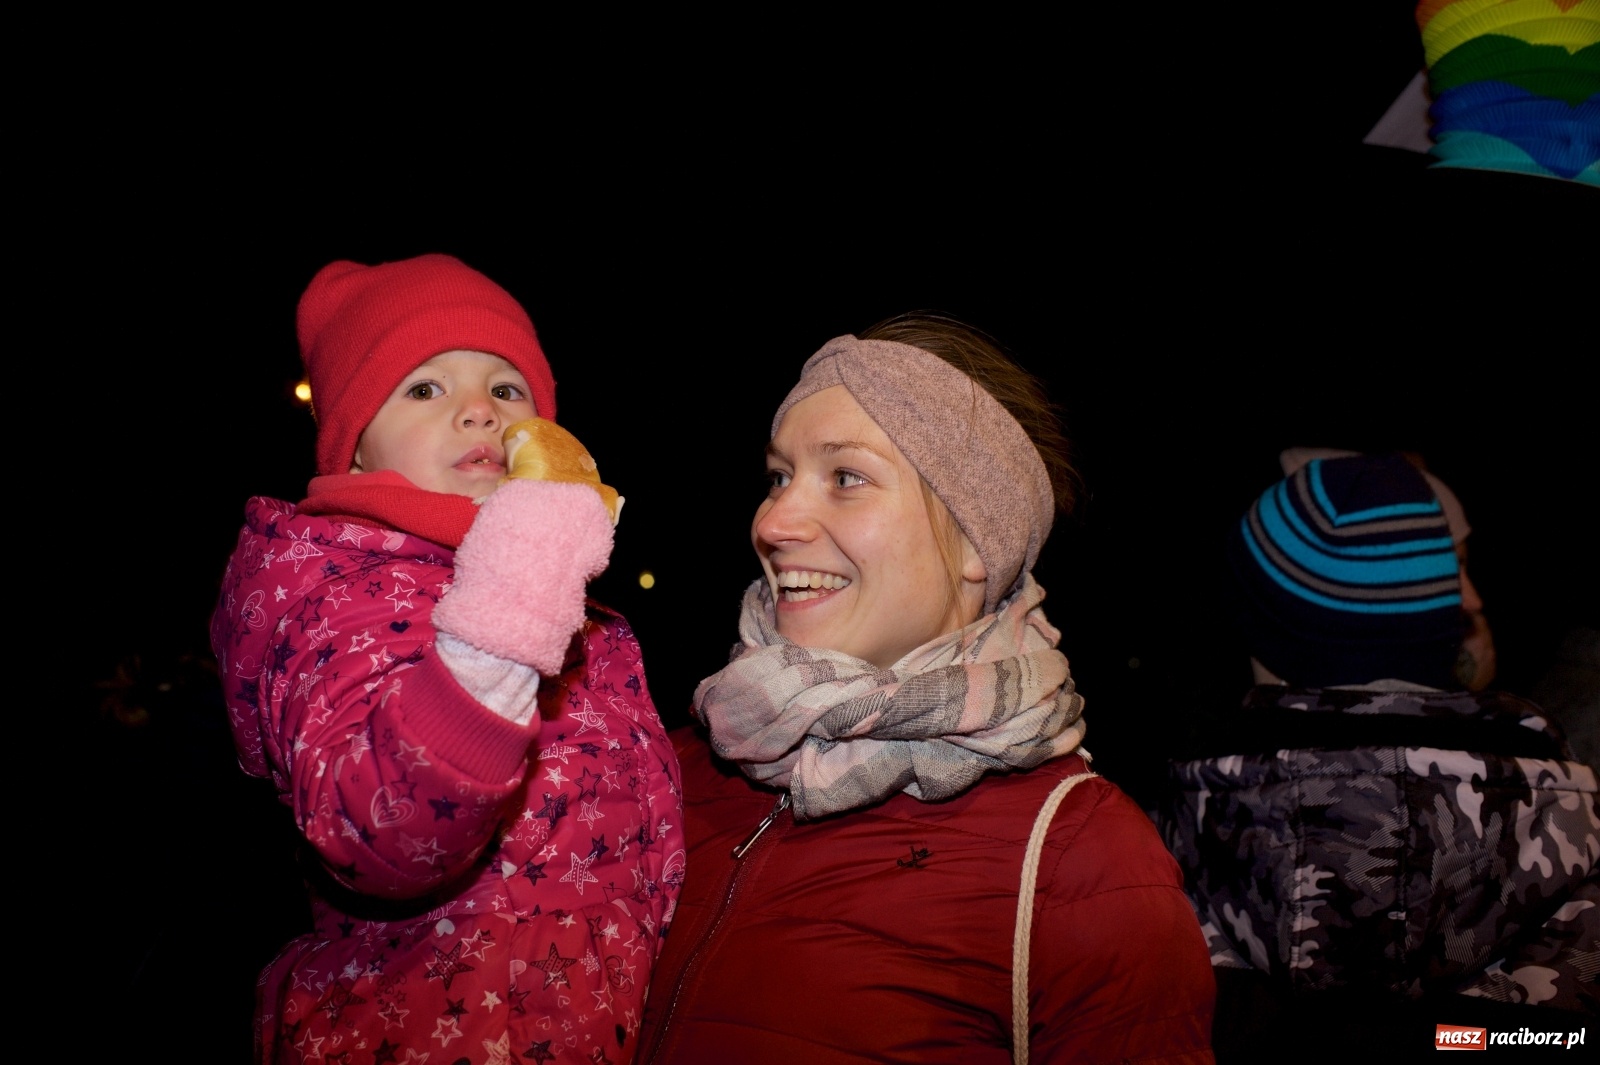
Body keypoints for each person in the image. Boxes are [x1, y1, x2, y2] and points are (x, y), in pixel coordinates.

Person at [637, 315, 1216, 1064]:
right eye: (779, 477)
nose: (774, 522)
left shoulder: (1081, 861)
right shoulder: (658, 768)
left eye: (846, 478)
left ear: (976, 541)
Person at [211, 254, 685, 1064]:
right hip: (429, 1025)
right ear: (356, 453)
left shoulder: (572, 607)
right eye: (425, 388)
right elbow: (381, 833)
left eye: (506, 387)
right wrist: (500, 628)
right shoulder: (339, 590)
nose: (479, 411)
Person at [1159, 451, 1599, 1052]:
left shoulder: (1176, 838)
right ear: (1441, 619)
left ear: (1261, 628)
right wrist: (1470, 1039)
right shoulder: (1574, 820)